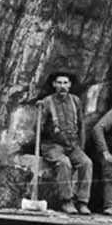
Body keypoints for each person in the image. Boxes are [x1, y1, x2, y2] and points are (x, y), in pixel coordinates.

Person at [36, 70, 93, 215]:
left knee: (86, 163)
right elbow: (38, 129)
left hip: (72, 145)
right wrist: (40, 114)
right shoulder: (47, 102)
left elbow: (81, 125)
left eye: (65, 83)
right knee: (64, 163)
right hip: (52, 146)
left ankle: (82, 202)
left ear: (70, 85)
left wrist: (81, 147)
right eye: (59, 83)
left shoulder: (75, 101)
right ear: (54, 84)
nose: (62, 86)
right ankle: (67, 201)